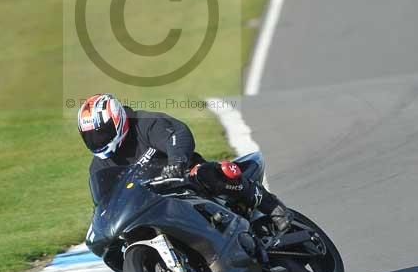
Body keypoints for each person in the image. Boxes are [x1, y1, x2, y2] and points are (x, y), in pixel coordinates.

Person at [77, 93, 291, 232]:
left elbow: (177, 133)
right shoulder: (99, 166)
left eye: (102, 133)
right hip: (152, 205)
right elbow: (106, 201)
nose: (98, 140)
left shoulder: (144, 124)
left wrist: (177, 161)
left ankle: (270, 205)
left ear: (118, 120)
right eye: (91, 137)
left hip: (185, 181)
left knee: (204, 173)